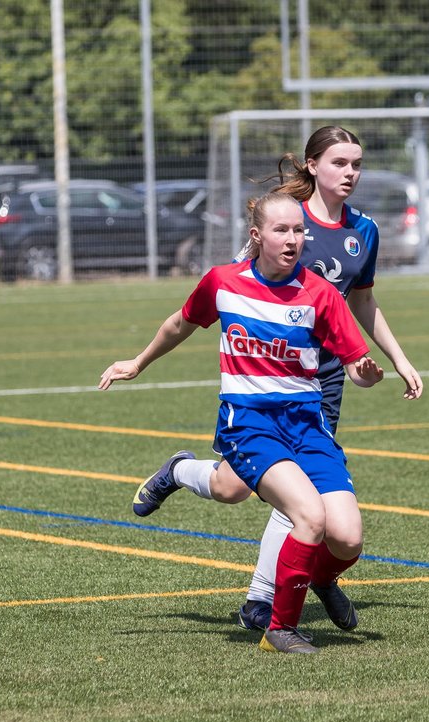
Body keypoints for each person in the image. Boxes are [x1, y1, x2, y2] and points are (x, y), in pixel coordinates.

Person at [131, 126, 424, 635]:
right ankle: (186, 477)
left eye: (357, 163)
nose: (350, 172)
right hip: (264, 380)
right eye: (339, 162)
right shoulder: (284, 218)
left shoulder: (365, 231)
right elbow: (236, 291)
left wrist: (395, 359)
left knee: (299, 502)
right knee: (238, 490)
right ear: (312, 166)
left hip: (322, 381)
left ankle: (267, 598)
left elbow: (363, 302)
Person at [100, 192, 383, 654]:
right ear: (256, 236)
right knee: (308, 517)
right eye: (281, 231)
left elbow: (356, 366)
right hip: (249, 423)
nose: (293, 240)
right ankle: (279, 628)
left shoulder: (320, 294)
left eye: (298, 231)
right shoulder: (223, 282)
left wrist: (367, 375)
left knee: (347, 538)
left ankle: (314, 577)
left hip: (307, 426)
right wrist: (138, 361)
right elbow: (179, 324)